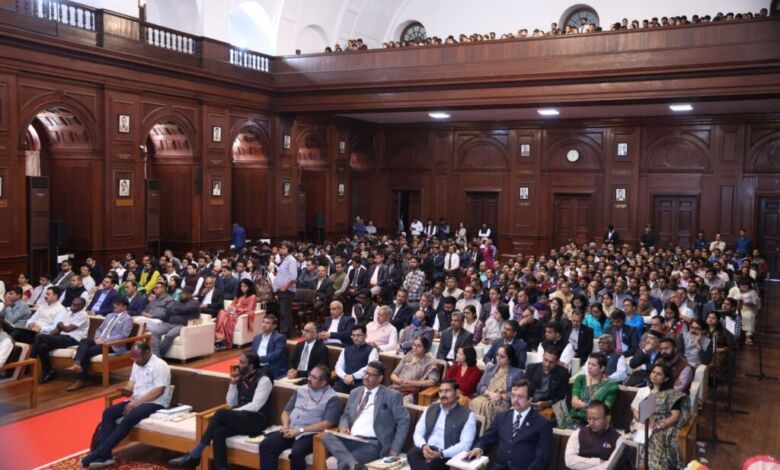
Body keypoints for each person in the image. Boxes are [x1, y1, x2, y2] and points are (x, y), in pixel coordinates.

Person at [169, 351, 274, 469]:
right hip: (243, 418)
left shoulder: (264, 380)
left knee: (220, 414)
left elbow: (256, 406)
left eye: (241, 362)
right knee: (219, 432)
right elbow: (231, 403)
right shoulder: (242, 378)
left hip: (258, 420)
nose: (238, 365)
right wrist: (233, 383)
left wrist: (232, 413)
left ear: (251, 366)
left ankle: (195, 454)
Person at [80, 341, 171, 468]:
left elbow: (159, 391)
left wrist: (136, 403)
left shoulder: (160, 365)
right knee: (109, 412)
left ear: (147, 353)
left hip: (155, 403)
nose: (135, 360)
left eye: (137, 357)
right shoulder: (136, 363)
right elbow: (132, 383)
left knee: (129, 416)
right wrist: (127, 390)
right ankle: (106, 456)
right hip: (136, 400)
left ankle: (99, 452)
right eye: (133, 357)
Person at [322, 361, 411, 470]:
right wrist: (343, 426)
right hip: (350, 439)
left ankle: (349, 463)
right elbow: (346, 415)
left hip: (373, 444)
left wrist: (395, 449)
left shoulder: (392, 396)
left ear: (380, 378)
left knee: (344, 465)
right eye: (366, 373)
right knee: (327, 436)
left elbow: (404, 421)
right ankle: (352, 464)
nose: (366, 377)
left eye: (371, 375)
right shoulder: (355, 392)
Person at [259, 365, 341, 470]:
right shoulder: (301, 390)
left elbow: (327, 423)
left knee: (296, 453)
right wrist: (285, 425)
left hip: (310, 435)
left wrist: (300, 430)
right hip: (291, 430)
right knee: (266, 445)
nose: (309, 378)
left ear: (323, 383)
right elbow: (286, 411)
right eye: (310, 375)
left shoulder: (333, 399)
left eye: (313, 377)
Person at [464, 379, 553, 470]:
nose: (515, 400)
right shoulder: (502, 417)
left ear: (530, 399)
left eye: (520, 396)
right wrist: (478, 449)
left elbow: (542, 458)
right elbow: (486, 438)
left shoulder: (542, 424)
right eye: (513, 395)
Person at [66, 297, 134, 391]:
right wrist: (97, 338)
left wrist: (105, 340)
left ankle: (81, 379)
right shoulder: (109, 315)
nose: (114, 306)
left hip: (112, 345)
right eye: (114, 304)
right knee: (84, 341)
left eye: (117, 305)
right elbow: (99, 329)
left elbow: (123, 335)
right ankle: (77, 363)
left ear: (124, 307)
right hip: (100, 340)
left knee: (87, 351)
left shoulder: (127, 319)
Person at [630, 363, 689, 470]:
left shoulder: (672, 394)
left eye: (659, 374)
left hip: (662, 426)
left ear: (666, 378)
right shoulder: (643, 391)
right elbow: (635, 410)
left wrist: (659, 425)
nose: (654, 375)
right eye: (653, 372)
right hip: (642, 423)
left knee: (654, 440)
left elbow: (675, 416)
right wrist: (643, 420)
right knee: (633, 444)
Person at [409, 378, 477, 470]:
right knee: (412, 454)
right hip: (427, 450)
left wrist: (441, 454)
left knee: (431, 465)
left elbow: (465, 444)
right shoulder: (430, 409)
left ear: (457, 393)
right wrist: (423, 446)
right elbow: (418, 432)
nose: (443, 394)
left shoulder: (468, 415)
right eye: (441, 391)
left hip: (446, 454)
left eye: (447, 391)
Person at [30, 297, 89, 384]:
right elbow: (58, 329)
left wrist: (59, 326)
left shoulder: (83, 315)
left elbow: (68, 329)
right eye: (73, 303)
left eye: (76, 305)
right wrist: (48, 337)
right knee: (42, 346)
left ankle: (31, 360)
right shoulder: (69, 313)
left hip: (74, 339)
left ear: (82, 306)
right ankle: (48, 371)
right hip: (63, 337)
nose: (73, 306)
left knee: (40, 337)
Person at [469, 344, 524, 429]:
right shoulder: (490, 369)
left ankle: (485, 433)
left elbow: (518, 393)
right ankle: (474, 431)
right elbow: (480, 386)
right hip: (486, 396)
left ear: (509, 359)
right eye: (497, 355)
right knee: (475, 402)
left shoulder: (517, 373)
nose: (498, 358)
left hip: (502, 402)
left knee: (487, 406)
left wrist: (501, 396)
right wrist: (490, 393)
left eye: (502, 356)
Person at [563, 353, 619, 428]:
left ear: (602, 368)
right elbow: (574, 402)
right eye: (589, 364)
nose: (589, 367)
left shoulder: (611, 386)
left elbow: (603, 410)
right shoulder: (580, 379)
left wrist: (582, 405)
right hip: (575, 419)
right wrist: (590, 406)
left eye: (593, 365)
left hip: (597, 422)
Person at [564, 401, 626, 470]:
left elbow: (610, 466)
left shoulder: (618, 439)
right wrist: (598, 462)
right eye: (589, 419)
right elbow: (569, 461)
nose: (591, 423)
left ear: (608, 419)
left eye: (596, 419)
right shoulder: (577, 433)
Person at [149, 286, 200, 357]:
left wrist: (176, 309)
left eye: (184, 293)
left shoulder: (195, 303)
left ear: (189, 294)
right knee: (155, 332)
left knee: (169, 335)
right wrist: (176, 309)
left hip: (182, 326)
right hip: (170, 323)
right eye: (181, 293)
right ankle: (156, 355)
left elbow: (184, 309)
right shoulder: (178, 301)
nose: (181, 295)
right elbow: (168, 309)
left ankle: (160, 354)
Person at [389, 337, 440, 403]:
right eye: (414, 345)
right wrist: (399, 381)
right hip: (397, 387)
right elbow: (393, 375)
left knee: (400, 402)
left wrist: (411, 383)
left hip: (412, 392)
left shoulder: (430, 363)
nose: (415, 348)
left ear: (425, 348)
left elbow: (432, 382)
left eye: (419, 346)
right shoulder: (407, 357)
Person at [334, 324, 379, 393]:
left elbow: (370, 368)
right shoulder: (346, 349)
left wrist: (353, 376)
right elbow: (338, 366)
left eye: (358, 335)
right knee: (331, 395)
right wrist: (345, 376)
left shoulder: (372, 350)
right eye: (353, 335)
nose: (355, 338)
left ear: (365, 336)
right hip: (344, 381)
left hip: (362, 383)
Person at [215, 279, 257, 348]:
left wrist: (236, 309)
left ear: (249, 287)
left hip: (240, 314)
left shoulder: (252, 297)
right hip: (232, 312)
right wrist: (231, 307)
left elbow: (250, 309)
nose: (242, 288)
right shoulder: (238, 295)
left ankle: (223, 338)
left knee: (227, 317)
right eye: (241, 286)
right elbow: (232, 304)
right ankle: (220, 336)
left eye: (245, 286)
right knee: (222, 312)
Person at [525, 349, 570, 413]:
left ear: (557, 361)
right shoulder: (531, 368)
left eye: (551, 362)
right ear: (542, 357)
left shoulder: (563, 373)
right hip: (530, 403)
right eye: (545, 360)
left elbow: (560, 397)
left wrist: (546, 404)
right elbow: (524, 389)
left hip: (549, 407)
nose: (547, 364)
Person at [273, 241, 298, 337]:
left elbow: (293, 277)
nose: (281, 250)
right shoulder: (285, 260)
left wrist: (284, 287)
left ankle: (283, 334)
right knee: (286, 313)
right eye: (281, 248)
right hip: (282, 290)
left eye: (284, 248)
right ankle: (289, 334)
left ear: (289, 249)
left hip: (287, 291)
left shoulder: (291, 260)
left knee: (284, 313)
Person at [251, 314, 287, 379]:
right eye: (263, 322)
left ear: (274, 326)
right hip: (257, 366)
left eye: (267, 323)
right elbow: (253, 353)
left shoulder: (280, 338)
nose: (264, 325)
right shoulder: (256, 338)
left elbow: (276, 355)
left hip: (270, 367)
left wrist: (258, 359)